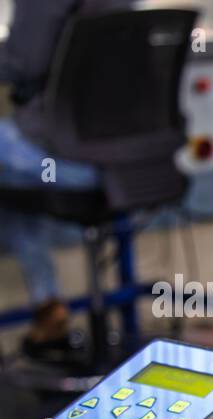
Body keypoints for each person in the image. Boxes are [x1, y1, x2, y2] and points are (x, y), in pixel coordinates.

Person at [0, 0, 127, 356]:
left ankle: (48, 304)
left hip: (73, 161)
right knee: (15, 182)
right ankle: (48, 307)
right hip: (130, 162)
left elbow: (22, 63)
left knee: (10, 159)